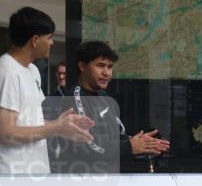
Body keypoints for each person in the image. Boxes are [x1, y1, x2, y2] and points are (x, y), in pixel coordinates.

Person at [0, 7, 93, 176]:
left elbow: (30, 123)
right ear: (35, 40)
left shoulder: (32, 70)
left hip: (31, 177)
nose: (52, 43)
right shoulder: (6, 73)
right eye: (49, 37)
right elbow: (6, 133)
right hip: (6, 179)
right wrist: (56, 127)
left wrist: (63, 126)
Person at [50, 41, 169, 174]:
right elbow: (88, 146)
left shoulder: (104, 97)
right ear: (82, 66)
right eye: (100, 66)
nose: (106, 73)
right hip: (82, 185)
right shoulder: (75, 98)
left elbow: (117, 136)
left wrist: (141, 142)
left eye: (110, 67)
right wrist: (130, 146)